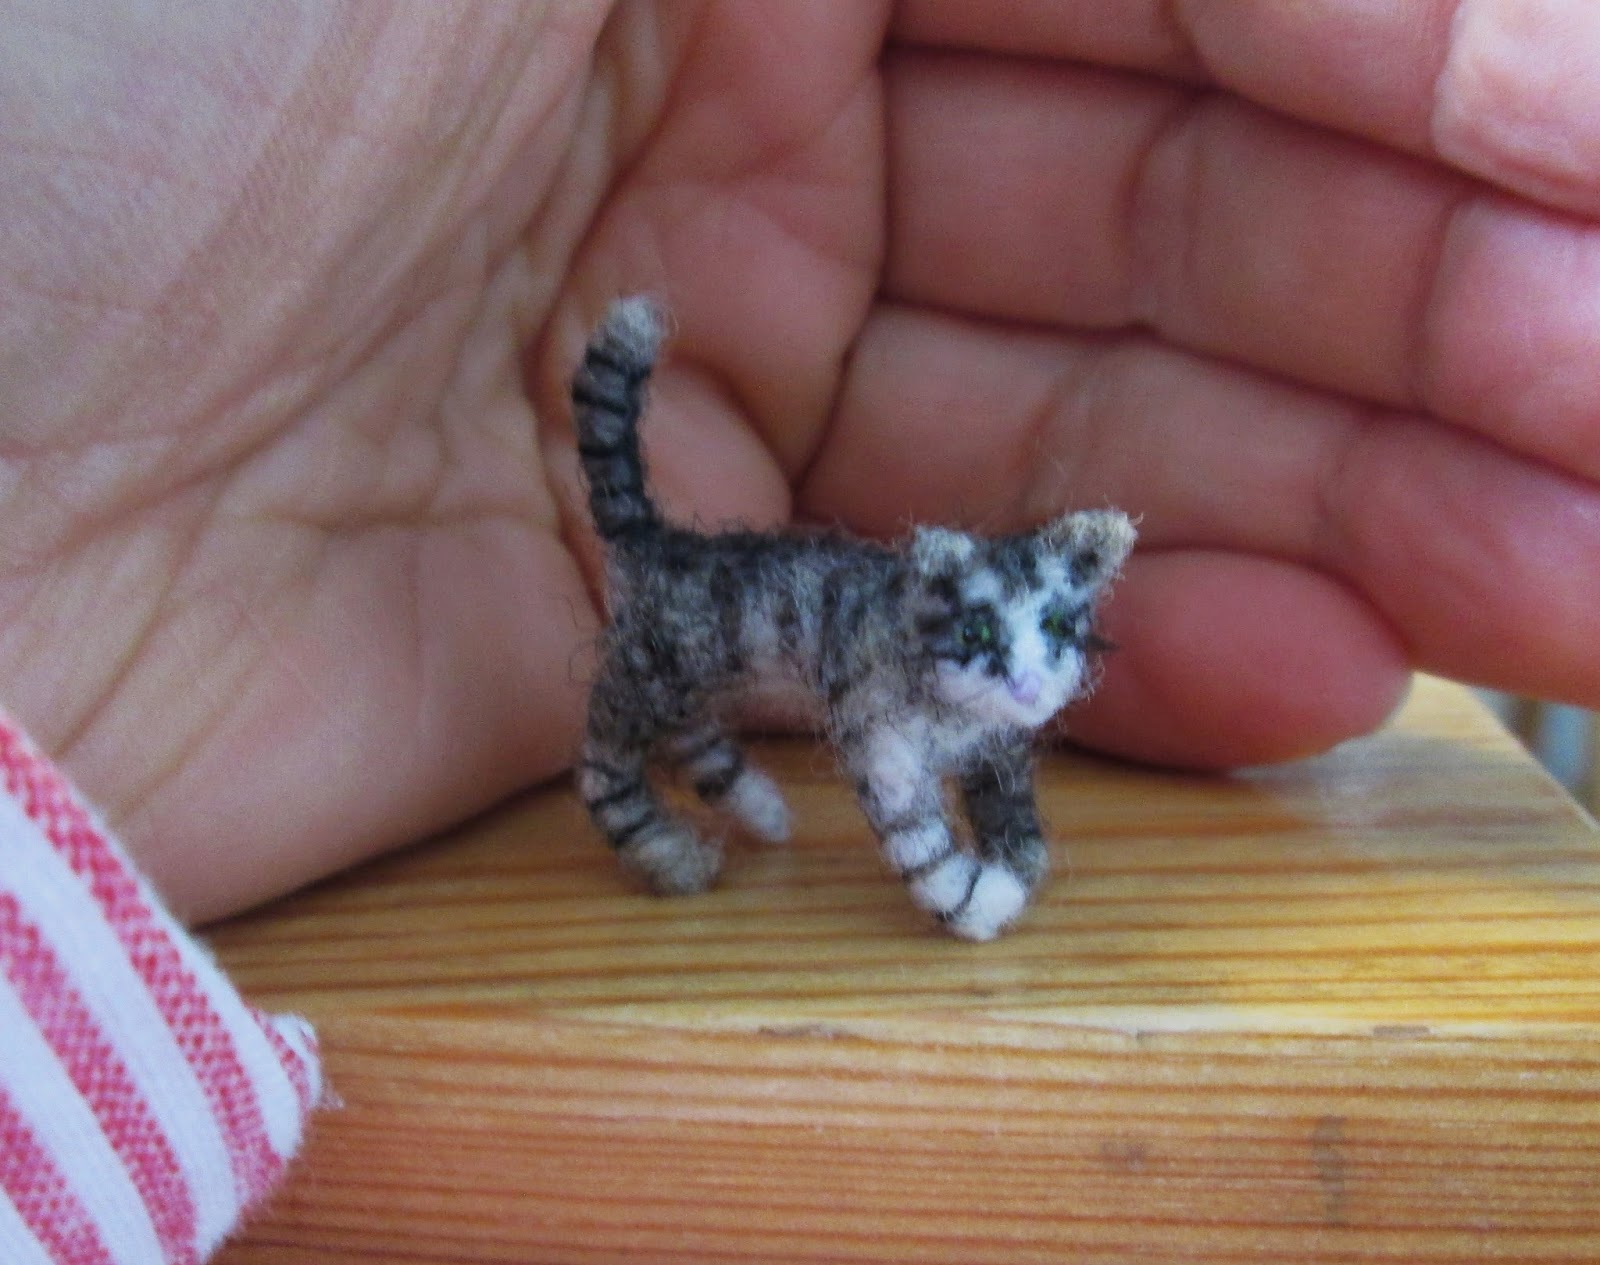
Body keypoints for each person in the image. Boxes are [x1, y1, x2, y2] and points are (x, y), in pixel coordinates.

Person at [3, 4, 1599, 1259]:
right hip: (710, 603)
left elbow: (1000, 739)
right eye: (999, 648)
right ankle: (646, 791)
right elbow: (904, 791)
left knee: (876, 732)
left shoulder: (993, 660)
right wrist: (961, 883)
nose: (1033, 679)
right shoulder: (899, 669)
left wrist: (1017, 829)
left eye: (1057, 646)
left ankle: (707, 764)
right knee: (640, 709)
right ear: (941, 607)